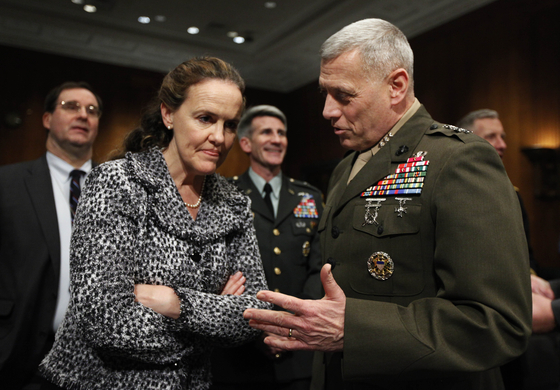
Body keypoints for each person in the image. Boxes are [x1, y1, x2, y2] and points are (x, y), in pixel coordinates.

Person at [243, 18, 532, 390]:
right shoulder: (345, 167)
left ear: (396, 86)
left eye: (344, 95)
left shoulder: (458, 159)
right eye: (325, 94)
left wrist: (353, 330)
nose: (328, 111)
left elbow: (496, 323)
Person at [39, 57, 272, 389]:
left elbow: (255, 314)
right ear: (168, 114)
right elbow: (106, 322)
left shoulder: (234, 203)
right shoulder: (118, 182)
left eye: (230, 124)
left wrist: (176, 303)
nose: (219, 137)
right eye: (205, 118)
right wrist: (216, 311)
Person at [211, 105, 323, 390]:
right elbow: (217, 272)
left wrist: (293, 327)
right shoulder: (224, 195)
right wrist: (255, 331)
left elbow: (319, 265)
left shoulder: (308, 196)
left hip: (300, 351)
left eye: (282, 133)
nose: (277, 139)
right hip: (240, 355)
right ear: (246, 143)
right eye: (267, 132)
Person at [0, 81, 102, 389]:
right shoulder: (7, 184)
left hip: (100, 361)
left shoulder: (120, 190)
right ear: (47, 119)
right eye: (71, 107)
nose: (83, 115)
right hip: (20, 356)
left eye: (92, 111)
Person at [456, 109, 537, 271]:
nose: (502, 145)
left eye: (502, 137)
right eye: (491, 137)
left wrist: (531, 280)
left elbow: (525, 253)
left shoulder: (512, 193)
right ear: (466, 141)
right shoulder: (452, 192)